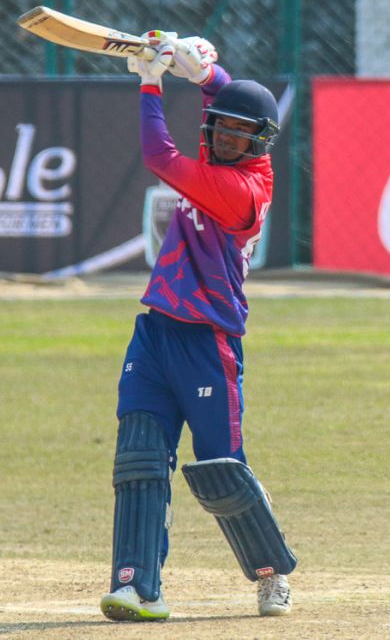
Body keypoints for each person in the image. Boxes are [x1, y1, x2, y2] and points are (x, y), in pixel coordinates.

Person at [98, 32, 296, 622]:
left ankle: (270, 574)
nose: (229, 138)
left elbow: (160, 158)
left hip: (209, 340)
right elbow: (231, 97)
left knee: (219, 471)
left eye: (241, 134)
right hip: (156, 332)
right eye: (222, 128)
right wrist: (197, 67)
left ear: (259, 143)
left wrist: (152, 82)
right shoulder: (221, 147)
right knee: (138, 458)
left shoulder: (241, 188)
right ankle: (138, 587)